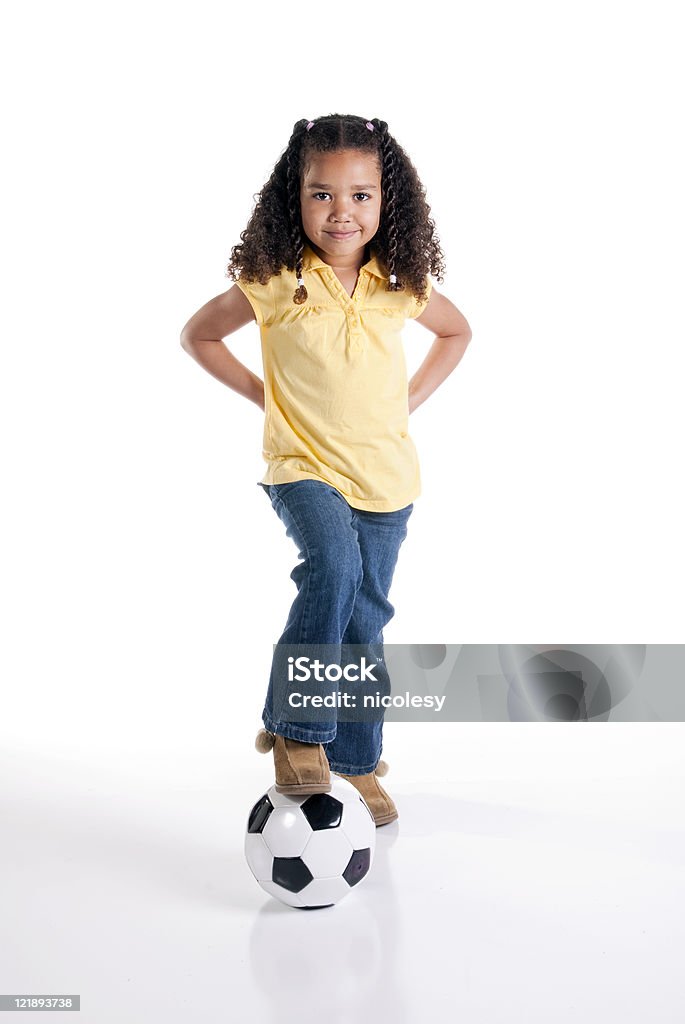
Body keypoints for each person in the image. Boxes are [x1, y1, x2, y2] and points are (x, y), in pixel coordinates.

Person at [180, 113, 471, 826]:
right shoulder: (273, 279)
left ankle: (355, 759)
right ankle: (296, 731)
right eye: (321, 194)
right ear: (294, 198)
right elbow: (200, 335)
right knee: (333, 573)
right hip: (302, 464)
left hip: (386, 476)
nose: (341, 211)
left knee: (366, 619)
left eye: (360, 195)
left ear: (386, 201)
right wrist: (261, 395)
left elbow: (456, 331)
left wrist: (411, 400)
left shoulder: (399, 281)